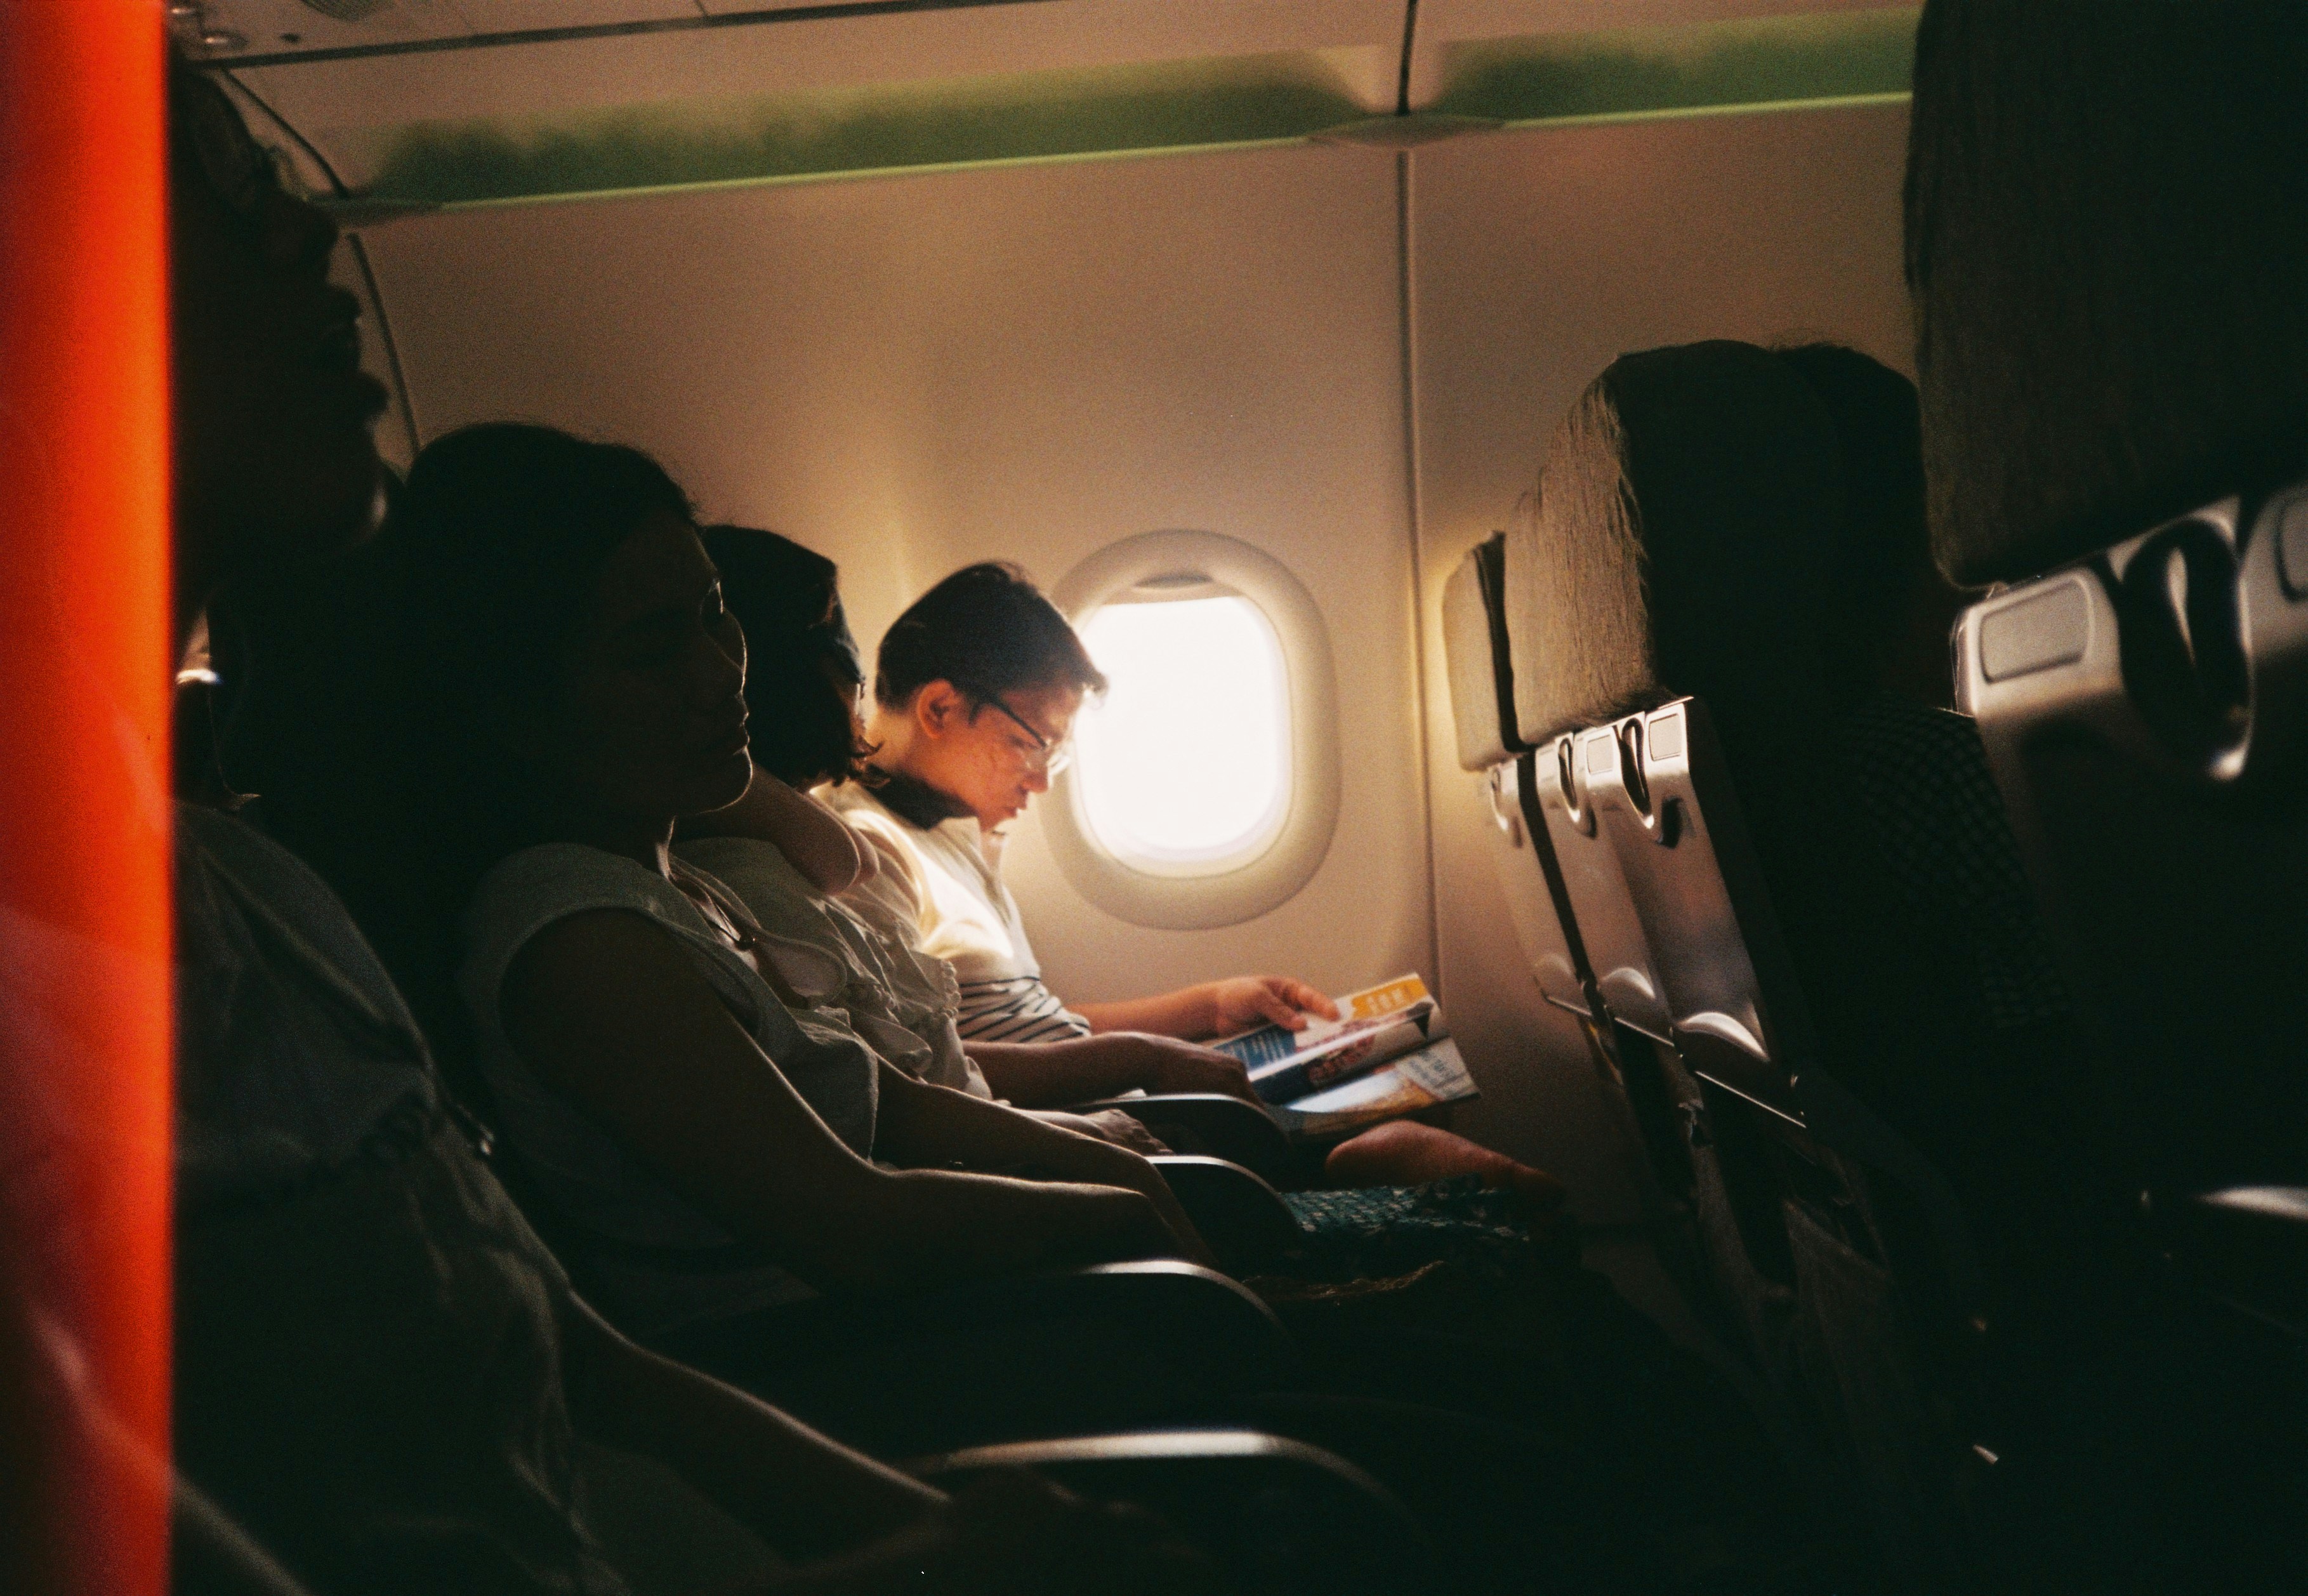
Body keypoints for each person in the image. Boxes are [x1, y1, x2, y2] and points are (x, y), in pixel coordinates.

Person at [158, 53, 1203, 1596]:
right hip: (846, 1351)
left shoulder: (255, 892)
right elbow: (850, 1220)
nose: (311, 228)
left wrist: (922, 1537)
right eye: (233, 196)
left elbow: (581, 1375)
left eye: (717, 625)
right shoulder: (568, 930)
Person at [832, 564, 1337, 1072]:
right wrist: (1147, 1062)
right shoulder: (863, 850)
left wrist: (1213, 1006)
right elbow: (919, 1070)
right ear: (939, 708)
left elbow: (1040, 1030)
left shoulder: (952, 840)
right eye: (1029, 745)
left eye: (1053, 756)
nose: (1041, 782)